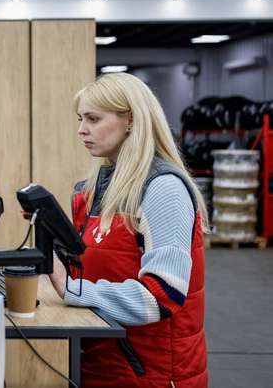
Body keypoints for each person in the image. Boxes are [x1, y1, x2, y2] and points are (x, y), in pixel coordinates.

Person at [48, 73, 208, 387]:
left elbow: (164, 296)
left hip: (151, 373)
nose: (81, 129)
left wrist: (74, 290)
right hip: (105, 364)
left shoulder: (163, 190)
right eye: (81, 118)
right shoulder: (98, 188)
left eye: (93, 119)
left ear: (131, 121)